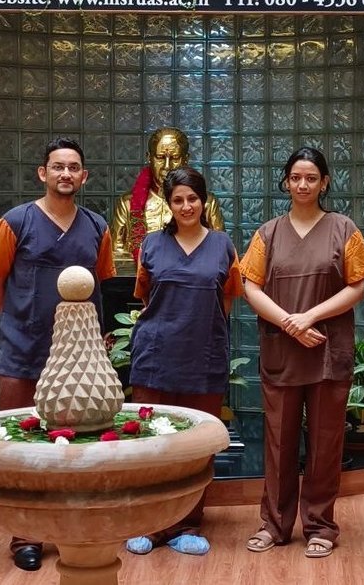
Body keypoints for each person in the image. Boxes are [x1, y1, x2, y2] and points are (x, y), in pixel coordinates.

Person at [0, 137, 116, 572]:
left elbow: (101, 282)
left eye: (73, 167)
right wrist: (21, 320)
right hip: (24, 351)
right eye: (58, 166)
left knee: (76, 443)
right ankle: (26, 535)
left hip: (79, 361)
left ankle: (74, 525)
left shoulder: (97, 227)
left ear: (84, 176)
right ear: (43, 173)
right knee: (22, 442)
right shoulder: (15, 222)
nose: (65, 174)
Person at [240, 147, 364, 558]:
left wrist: (309, 317)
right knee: (278, 442)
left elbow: (358, 286)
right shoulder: (268, 234)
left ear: (324, 182)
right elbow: (250, 286)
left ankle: (320, 525)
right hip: (282, 352)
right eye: (296, 178)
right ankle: (274, 524)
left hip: (327, 352)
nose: (302, 185)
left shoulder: (343, 229)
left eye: (311, 178)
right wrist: (289, 323)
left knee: (325, 443)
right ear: (286, 182)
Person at [125, 166, 244, 556]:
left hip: (203, 355)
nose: (186, 206)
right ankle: (149, 525)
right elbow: (147, 297)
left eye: (193, 198)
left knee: (197, 445)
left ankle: (187, 525)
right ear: (169, 204)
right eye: (178, 200)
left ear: (203, 201)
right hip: (156, 356)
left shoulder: (223, 245)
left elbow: (227, 299)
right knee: (152, 444)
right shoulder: (152, 245)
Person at [110, 127, 224, 266]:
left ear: (186, 159)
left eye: (175, 158)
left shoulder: (205, 203)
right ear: (149, 158)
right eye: (160, 158)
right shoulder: (128, 203)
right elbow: (117, 255)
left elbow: (219, 251)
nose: (167, 166)